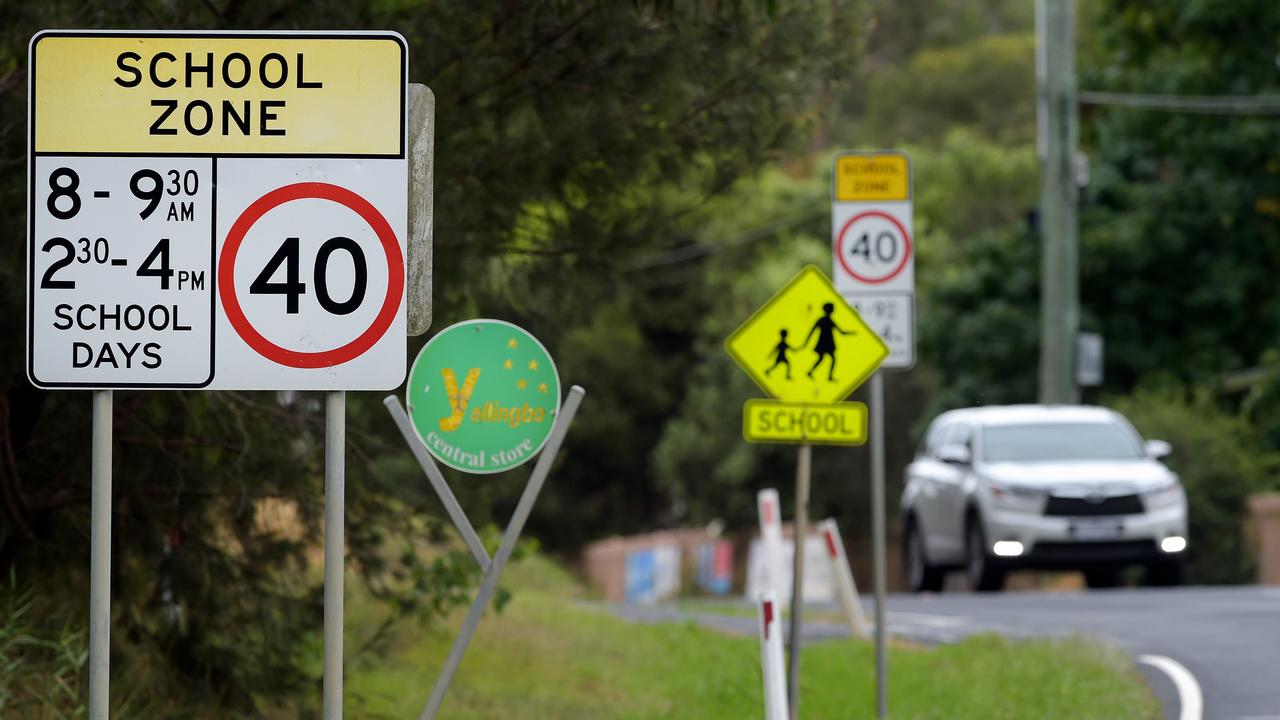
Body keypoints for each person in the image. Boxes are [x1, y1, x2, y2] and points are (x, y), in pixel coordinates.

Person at [805, 302, 854, 381]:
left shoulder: (830, 320)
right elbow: (812, 331)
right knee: (827, 358)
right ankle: (815, 373)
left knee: (826, 358)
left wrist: (853, 333)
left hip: (828, 342)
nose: (833, 310)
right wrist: (806, 342)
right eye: (832, 308)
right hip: (824, 342)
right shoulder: (823, 320)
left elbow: (842, 332)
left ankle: (814, 373)